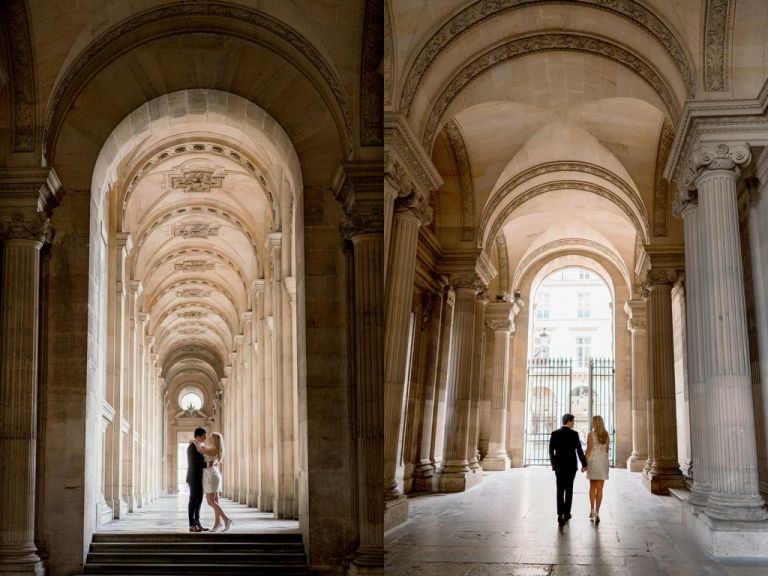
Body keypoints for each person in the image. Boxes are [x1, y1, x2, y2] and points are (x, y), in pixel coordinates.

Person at [549, 413, 588, 527]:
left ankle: (560, 514)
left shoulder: (555, 434)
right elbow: (579, 451)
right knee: (569, 489)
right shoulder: (574, 434)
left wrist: (553, 464)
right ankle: (567, 513)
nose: (574, 423)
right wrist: (584, 464)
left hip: (559, 466)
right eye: (573, 421)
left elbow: (551, 451)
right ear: (569, 422)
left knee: (560, 490)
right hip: (571, 466)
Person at [196, 431, 233, 532]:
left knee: (210, 501)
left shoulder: (213, 449)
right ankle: (217, 523)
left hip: (211, 476)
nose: (208, 438)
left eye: (211, 437)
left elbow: (200, 449)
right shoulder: (213, 449)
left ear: (215, 440)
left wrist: (194, 440)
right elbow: (204, 448)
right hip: (213, 474)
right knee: (215, 501)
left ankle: (226, 520)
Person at [585, 415, 610, 523]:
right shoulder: (606, 435)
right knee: (600, 489)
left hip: (593, 462)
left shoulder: (591, 434)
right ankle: (598, 512)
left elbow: (589, 450)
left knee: (592, 487)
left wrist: (584, 463)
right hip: (603, 462)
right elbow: (607, 450)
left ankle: (591, 509)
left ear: (595, 423)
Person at [186, 427, 209, 532]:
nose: (205, 438)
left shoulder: (200, 446)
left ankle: (198, 523)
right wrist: (208, 463)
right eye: (204, 436)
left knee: (199, 501)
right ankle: (192, 524)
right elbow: (194, 463)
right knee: (193, 500)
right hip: (194, 478)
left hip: (200, 478)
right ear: (198, 436)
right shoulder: (192, 447)